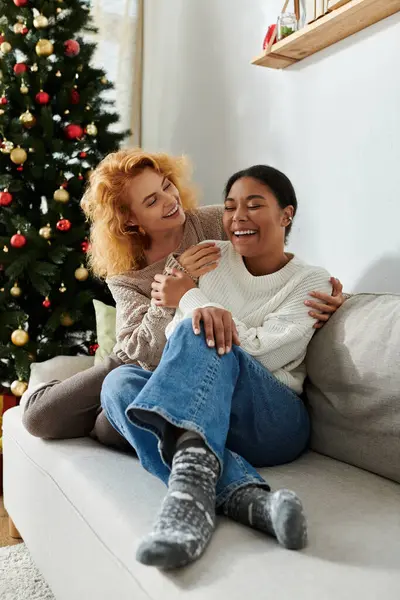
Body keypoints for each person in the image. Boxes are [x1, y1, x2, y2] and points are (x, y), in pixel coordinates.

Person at [22, 149, 344, 451]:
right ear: (130, 220)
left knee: (107, 427)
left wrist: (333, 292)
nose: (170, 201)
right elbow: (138, 351)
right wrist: (175, 282)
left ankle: (119, 421)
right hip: (139, 360)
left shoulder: (213, 222)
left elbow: (271, 252)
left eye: (167, 186)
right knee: (40, 418)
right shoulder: (125, 274)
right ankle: (61, 393)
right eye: (152, 200)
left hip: (195, 361)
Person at [100, 164, 334, 571]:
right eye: (230, 207)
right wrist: (193, 301)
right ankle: (245, 501)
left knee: (203, 327)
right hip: (212, 415)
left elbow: (261, 352)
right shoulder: (209, 257)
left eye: (254, 205)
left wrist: (191, 298)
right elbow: (176, 340)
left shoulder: (312, 281)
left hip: (272, 421)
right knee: (119, 383)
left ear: (286, 215)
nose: (238, 217)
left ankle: (187, 507)